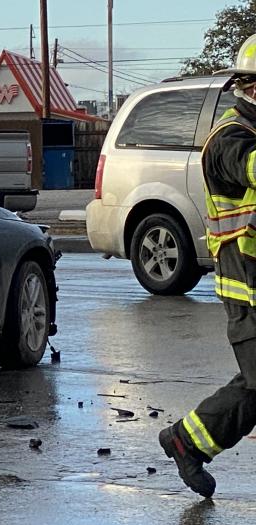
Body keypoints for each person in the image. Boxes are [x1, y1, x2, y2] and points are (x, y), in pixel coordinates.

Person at [159, 33, 256, 498]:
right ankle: (185, 441)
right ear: (252, 87)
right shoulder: (230, 140)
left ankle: (188, 440)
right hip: (248, 294)